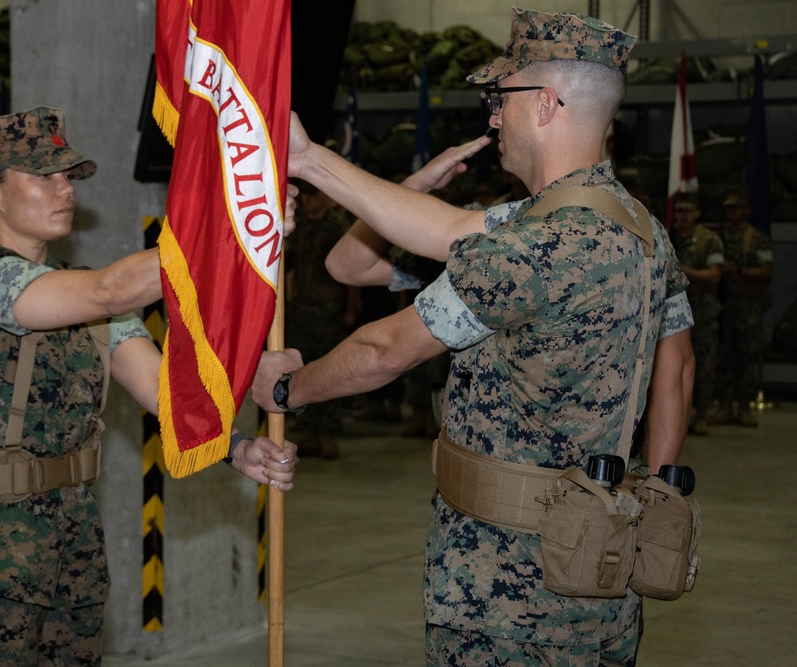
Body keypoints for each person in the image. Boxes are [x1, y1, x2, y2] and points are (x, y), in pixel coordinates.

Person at [255, 9, 694, 664]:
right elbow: (397, 248)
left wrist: (288, 386)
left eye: (500, 98)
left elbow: (384, 351)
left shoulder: (537, 243)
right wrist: (342, 171)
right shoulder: (638, 227)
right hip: (595, 559)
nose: (492, 118)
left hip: (514, 584)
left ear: (545, 104)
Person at [0, 106, 298, 666]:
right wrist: (237, 223)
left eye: (68, 176)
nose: (64, 190)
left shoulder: (72, 289)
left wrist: (237, 449)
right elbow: (109, 292)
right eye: (43, 176)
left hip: (69, 547)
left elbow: (161, 390)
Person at [284, 181, 358, 458]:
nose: (310, 203)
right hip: (302, 309)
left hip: (329, 310)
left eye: (315, 197)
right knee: (301, 370)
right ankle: (309, 430)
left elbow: (352, 272)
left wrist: (351, 308)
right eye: (307, 198)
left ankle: (329, 432)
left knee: (329, 371)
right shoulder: (297, 226)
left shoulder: (338, 228)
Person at [709, 188, 773, 427]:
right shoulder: (718, 238)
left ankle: (745, 406)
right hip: (722, 307)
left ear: (747, 210)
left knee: (747, 356)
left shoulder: (756, 238)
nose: (732, 212)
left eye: (736, 208)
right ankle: (724, 406)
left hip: (748, 308)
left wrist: (737, 271)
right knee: (723, 357)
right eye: (728, 208)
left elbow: (766, 271)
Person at [671, 191, 724, 435]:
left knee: (703, 364)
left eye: (688, 211)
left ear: (698, 213)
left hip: (702, 313)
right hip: (671, 315)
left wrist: (684, 270)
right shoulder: (668, 236)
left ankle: (701, 413)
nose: (683, 216)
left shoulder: (709, 240)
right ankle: (679, 416)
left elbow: (714, 275)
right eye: (679, 211)